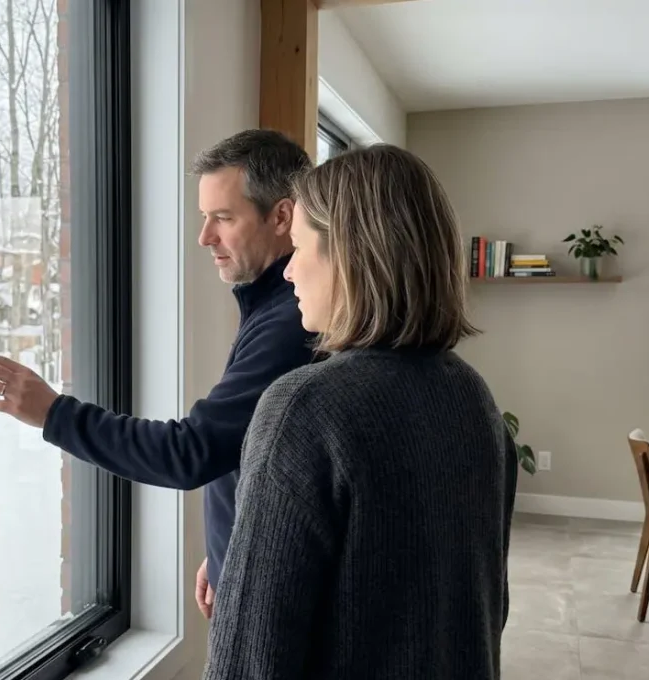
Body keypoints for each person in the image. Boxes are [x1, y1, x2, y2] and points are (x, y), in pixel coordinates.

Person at [0, 129, 316, 618]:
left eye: (223, 218)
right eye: (203, 217)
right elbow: (253, 450)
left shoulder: (290, 322)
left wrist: (53, 413)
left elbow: (190, 452)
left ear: (281, 216)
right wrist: (224, 546)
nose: (204, 236)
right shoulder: (273, 307)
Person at [203, 144, 517, 680]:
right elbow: (483, 606)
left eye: (299, 248)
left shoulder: (305, 407)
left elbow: (250, 662)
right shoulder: (471, 394)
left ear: (350, 254)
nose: (288, 273)